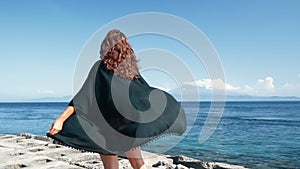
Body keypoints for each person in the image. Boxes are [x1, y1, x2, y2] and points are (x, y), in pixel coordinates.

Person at [48, 30, 186, 169]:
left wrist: (61, 120)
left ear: (105, 46)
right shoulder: (131, 71)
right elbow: (144, 92)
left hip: (106, 128)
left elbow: (82, 98)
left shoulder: (100, 67)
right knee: (138, 164)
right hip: (128, 126)